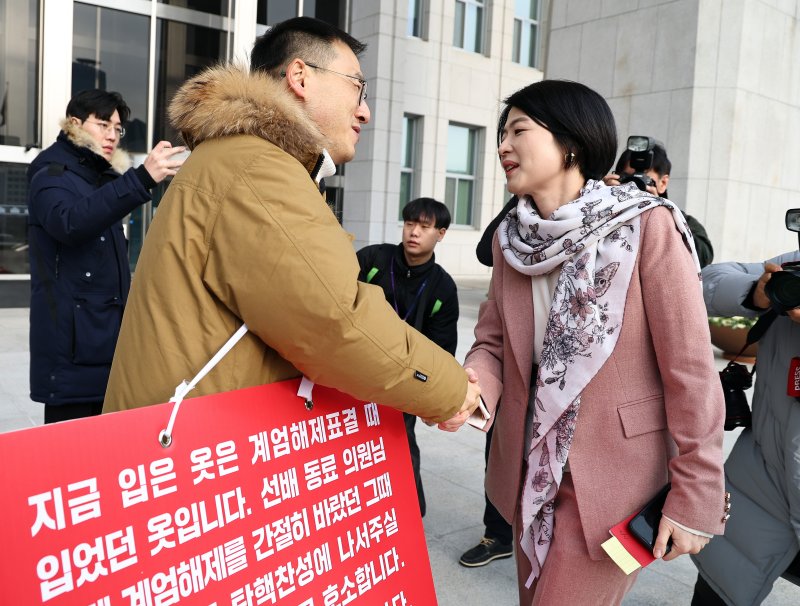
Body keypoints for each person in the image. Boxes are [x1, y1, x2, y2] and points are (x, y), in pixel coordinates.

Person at [103, 18, 480, 427]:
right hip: (196, 450)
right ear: (300, 76)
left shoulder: (241, 158)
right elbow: (335, 322)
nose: (365, 111)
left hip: (196, 434)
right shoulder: (256, 166)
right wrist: (449, 389)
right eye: (358, 87)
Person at [442, 79, 727, 604]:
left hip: (616, 481)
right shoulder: (512, 242)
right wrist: (471, 388)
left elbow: (691, 369)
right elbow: (494, 343)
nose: (503, 145)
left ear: (570, 141)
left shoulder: (648, 227)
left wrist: (697, 495)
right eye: (501, 133)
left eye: (518, 130)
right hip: (531, 471)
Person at [26, 89, 185, 424]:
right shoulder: (51, 173)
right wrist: (140, 179)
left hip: (104, 344)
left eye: (117, 128)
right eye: (103, 125)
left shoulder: (100, 177)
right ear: (74, 124)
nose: (112, 135)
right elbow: (69, 222)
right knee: (71, 463)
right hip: (72, 349)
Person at [691, 252, 800, 605]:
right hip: (761, 482)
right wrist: (756, 292)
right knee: (719, 587)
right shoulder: (795, 266)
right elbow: (706, 280)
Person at [356, 197, 458, 517]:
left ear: (440, 234)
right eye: (410, 224)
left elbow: (442, 351)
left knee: (399, 449)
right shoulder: (373, 258)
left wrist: (433, 399)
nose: (414, 232)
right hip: (352, 371)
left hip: (400, 384)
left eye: (425, 227)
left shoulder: (442, 287)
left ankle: (409, 517)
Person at [459, 195, 516, 567]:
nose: (506, 146)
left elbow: (697, 253)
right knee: (499, 451)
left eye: (518, 132)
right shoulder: (524, 213)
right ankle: (498, 534)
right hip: (513, 362)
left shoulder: (648, 216)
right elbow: (486, 250)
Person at [604, 142, 714, 267]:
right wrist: (601, 197)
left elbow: (704, 256)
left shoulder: (681, 221)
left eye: (642, 180)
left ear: (663, 183)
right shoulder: (604, 212)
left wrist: (660, 214)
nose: (634, 186)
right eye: (628, 178)